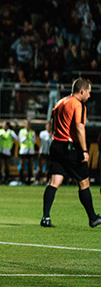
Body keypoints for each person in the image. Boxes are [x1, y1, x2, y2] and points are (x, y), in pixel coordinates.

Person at [41, 78, 101, 228]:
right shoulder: (78, 104)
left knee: (54, 182)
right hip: (70, 146)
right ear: (82, 91)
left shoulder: (60, 102)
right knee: (84, 182)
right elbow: (79, 128)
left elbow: (53, 120)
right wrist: (84, 150)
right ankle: (93, 218)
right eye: (88, 92)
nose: (89, 95)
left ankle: (45, 217)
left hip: (56, 144)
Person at [18, 120, 37, 185]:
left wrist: (32, 137)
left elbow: (34, 141)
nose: (28, 125)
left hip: (30, 150)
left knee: (30, 165)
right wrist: (26, 137)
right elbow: (21, 140)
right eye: (26, 124)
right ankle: (21, 179)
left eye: (29, 124)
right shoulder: (22, 131)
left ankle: (29, 179)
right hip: (23, 150)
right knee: (22, 165)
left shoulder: (32, 132)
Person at [36, 121, 52, 185]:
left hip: (49, 152)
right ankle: (38, 180)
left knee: (49, 167)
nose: (49, 127)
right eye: (48, 126)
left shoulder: (53, 133)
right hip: (43, 152)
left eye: (50, 126)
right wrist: (49, 136)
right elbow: (44, 141)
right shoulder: (42, 133)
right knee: (41, 167)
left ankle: (48, 180)